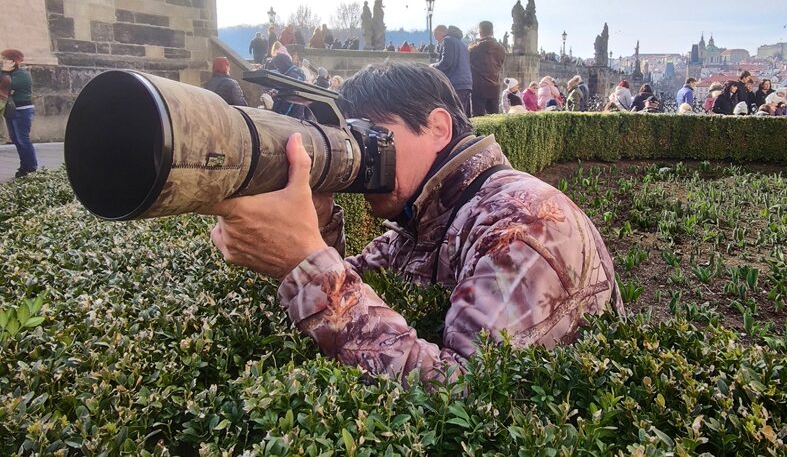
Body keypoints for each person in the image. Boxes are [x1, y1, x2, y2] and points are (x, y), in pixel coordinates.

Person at [207, 62, 624, 385]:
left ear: (438, 127)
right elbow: (350, 288)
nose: (359, 159)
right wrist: (314, 231)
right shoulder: (425, 219)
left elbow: (466, 395)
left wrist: (304, 261)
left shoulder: (523, 225)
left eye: (370, 137)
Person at [1, 49, 37, 178]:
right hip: (11, 110)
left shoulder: (23, 74)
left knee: (23, 140)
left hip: (23, 110)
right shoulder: (7, 74)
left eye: (5, 58)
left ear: (13, 61)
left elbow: (8, 85)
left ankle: (31, 168)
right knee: (16, 139)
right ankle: (24, 166)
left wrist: (4, 75)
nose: (2, 61)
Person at [431, 24, 473, 115]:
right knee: (463, 115)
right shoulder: (462, 44)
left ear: (440, 34)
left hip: (454, 83)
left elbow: (446, 63)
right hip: (466, 83)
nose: (437, 41)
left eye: (436, 37)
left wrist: (432, 66)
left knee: (453, 115)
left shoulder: (447, 40)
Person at [468, 20, 507, 116]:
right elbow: (500, 64)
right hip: (495, 86)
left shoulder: (473, 49)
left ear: (480, 33)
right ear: (492, 32)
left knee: (478, 118)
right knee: (494, 117)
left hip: (478, 87)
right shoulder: (501, 49)